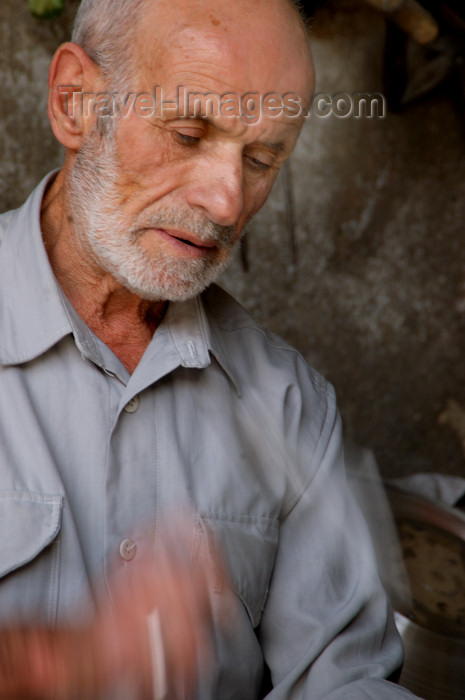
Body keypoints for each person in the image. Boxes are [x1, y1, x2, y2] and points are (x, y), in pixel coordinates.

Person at [0, 0, 418, 697]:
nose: (227, 201)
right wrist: (51, 664)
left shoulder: (292, 407)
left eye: (261, 158)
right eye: (188, 132)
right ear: (75, 102)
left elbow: (342, 680)